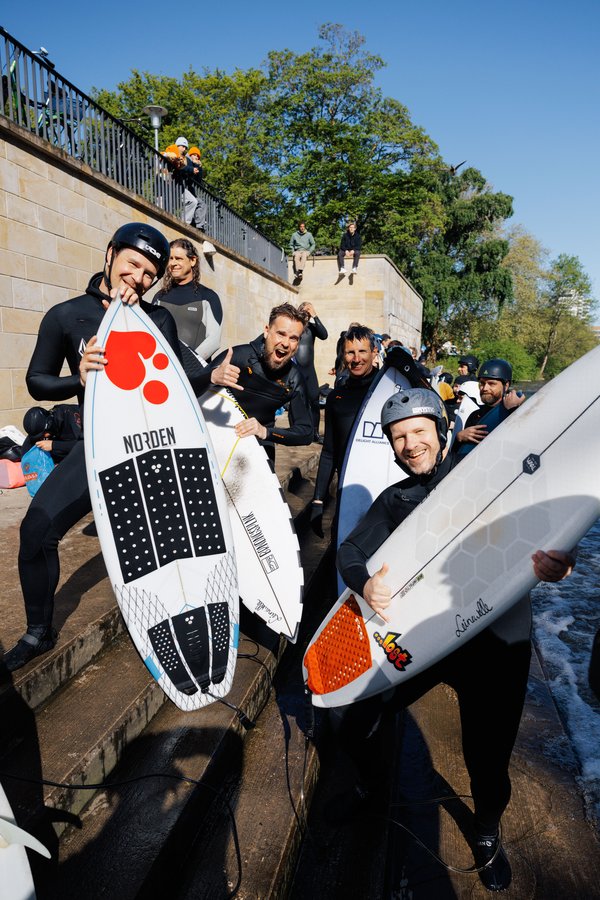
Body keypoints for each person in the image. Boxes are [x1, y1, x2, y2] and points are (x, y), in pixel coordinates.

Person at [334, 387, 576, 892]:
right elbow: (350, 551)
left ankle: (486, 830)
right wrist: (365, 583)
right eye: (399, 437)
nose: (410, 444)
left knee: (487, 759)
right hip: (427, 642)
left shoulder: (490, 477)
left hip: (495, 643)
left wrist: (562, 560)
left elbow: (550, 523)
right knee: (352, 718)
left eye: (419, 431)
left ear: (442, 432)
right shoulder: (396, 499)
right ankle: (375, 787)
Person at [4, 224, 177, 672]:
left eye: (150, 273)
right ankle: (38, 632)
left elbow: (176, 387)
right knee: (35, 531)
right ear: (110, 254)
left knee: (158, 546)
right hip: (96, 445)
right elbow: (37, 380)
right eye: (133, 264)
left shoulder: (158, 320)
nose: (138, 278)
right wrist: (77, 377)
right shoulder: (66, 315)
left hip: (149, 448)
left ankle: (172, 626)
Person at [189, 303, 313, 463]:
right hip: (218, 440)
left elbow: (306, 432)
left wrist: (266, 432)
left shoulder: (294, 378)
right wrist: (211, 377)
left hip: (259, 449)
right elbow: (186, 391)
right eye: (281, 334)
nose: (286, 343)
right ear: (267, 331)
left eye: (293, 338)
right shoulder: (238, 356)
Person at [310, 325, 379, 538]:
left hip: (382, 492)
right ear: (343, 355)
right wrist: (318, 500)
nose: (356, 359)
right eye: (350, 352)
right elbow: (329, 452)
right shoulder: (336, 397)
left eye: (362, 351)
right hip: (347, 492)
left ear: (374, 353)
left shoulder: (388, 391)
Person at [154, 238, 223, 362]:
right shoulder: (159, 297)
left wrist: (188, 363)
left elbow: (214, 340)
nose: (173, 263)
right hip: (164, 367)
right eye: (170, 258)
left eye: (178, 258)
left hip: (195, 369)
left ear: (192, 261)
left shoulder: (208, 297)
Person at [453, 358, 524, 457]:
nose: (485, 388)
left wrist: (513, 411)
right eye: (482, 383)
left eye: (491, 384)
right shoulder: (475, 415)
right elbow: (457, 455)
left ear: (506, 385)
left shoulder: (517, 411)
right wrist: (459, 437)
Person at [294, 302, 328, 442]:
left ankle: (314, 432)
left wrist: (315, 315)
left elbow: (324, 335)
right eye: (304, 311)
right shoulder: (294, 326)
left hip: (309, 371)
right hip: (295, 370)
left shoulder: (312, 328)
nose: (306, 314)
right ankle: (296, 432)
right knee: (296, 402)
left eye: (308, 313)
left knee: (314, 400)